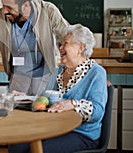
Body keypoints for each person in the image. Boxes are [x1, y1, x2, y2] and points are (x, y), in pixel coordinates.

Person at [8, 24, 108, 153]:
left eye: (65, 43)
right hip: (54, 128)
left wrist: (72, 104)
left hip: (81, 134)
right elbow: (45, 100)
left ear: (81, 47)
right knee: (17, 144)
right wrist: (24, 97)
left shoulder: (97, 73)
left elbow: (97, 111)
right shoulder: (59, 71)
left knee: (39, 149)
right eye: (60, 44)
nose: (60, 48)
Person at [0, 0, 69, 96]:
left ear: (26, 5)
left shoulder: (48, 12)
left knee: (43, 111)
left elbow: (68, 39)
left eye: (9, 7)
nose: (4, 11)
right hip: (17, 81)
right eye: (3, 5)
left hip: (46, 80)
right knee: (17, 113)